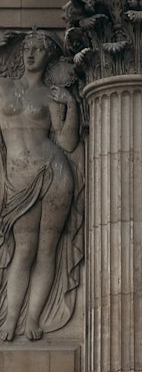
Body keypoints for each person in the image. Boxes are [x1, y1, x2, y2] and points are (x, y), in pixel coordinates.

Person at [0, 29, 79, 341]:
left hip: (53, 172)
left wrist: (71, 105)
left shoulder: (52, 95)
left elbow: (68, 143)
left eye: (38, 49)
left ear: (50, 56)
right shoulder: (3, 87)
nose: (30, 54)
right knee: (24, 249)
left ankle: (33, 318)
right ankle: (11, 319)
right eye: (26, 48)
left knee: (46, 251)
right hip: (17, 176)